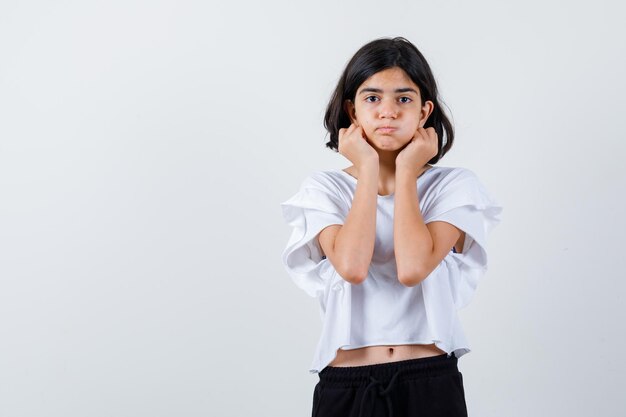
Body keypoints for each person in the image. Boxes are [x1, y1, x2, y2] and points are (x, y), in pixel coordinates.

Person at [280, 37, 503, 417]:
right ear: (352, 110)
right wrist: (367, 168)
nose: (387, 112)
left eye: (403, 99)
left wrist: (405, 170)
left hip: (429, 380)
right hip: (346, 383)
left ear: (424, 111)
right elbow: (351, 267)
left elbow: (413, 268)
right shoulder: (324, 189)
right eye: (372, 98)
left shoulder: (453, 186)